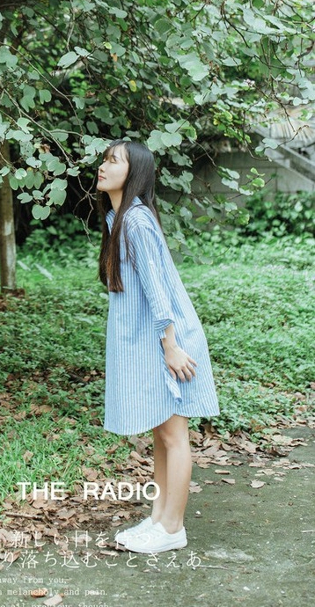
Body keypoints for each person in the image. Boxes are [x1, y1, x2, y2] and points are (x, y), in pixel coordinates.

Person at [96, 138, 219, 553]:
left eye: (113, 161)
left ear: (135, 173)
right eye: (105, 159)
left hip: (167, 338)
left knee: (173, 434)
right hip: (150, 338)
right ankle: (158, 519)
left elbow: (157, 291)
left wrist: (170, 345)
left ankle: (172, 528)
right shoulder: (119, 218)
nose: (103, 165)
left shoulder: (136, 221)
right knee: (160, 432)